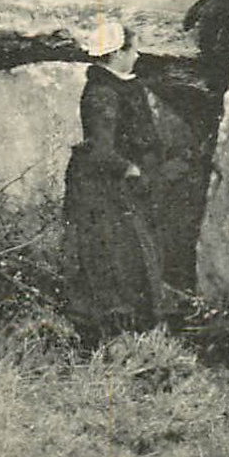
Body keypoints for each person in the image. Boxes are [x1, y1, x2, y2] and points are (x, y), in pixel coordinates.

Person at [63, 22, 182, 344]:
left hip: (124, 185)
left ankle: (132, 330)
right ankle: (117, 332)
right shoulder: (103, 93)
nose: (138, 55)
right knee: (118, 256)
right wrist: (130, 170)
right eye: (133, 49)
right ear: (116, 52)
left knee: (132, 255)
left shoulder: (118, 85)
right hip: (107, 191)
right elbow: (101, 148)